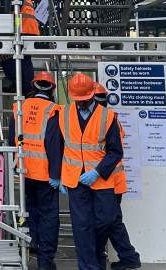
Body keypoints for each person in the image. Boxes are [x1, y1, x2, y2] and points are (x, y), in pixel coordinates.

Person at [59, 73, 124, 270]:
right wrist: (58, 176)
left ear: (91, 95)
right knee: (81, 227)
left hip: (101, 180)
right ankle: (89, 266)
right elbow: (58, 146)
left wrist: (97, 172)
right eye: (77, 100)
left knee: (105, 220)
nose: (81, 104)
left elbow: (115, 152)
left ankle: (97, 256)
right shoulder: (64, 113)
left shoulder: (107, 116)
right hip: (75, 180)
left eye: (84, 100)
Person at [8, 71, 62, 270]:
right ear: (52, 89)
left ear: (33, 86)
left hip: (24, 171)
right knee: (49, 216)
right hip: (46, 174)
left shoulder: (19, 107)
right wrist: (56, 175)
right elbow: (54, 144)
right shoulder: (53, 110)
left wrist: (15, 163)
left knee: (30, 212)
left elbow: (13, 139)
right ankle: (45, 261)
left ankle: (31, 246)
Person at [92, 83, 141, 270]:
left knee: (107, 222)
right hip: (113, 181)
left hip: (108, 182)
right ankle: (128, 258)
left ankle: (120, 257)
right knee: (112, 221)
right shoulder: (111, 118)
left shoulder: (103, 120)